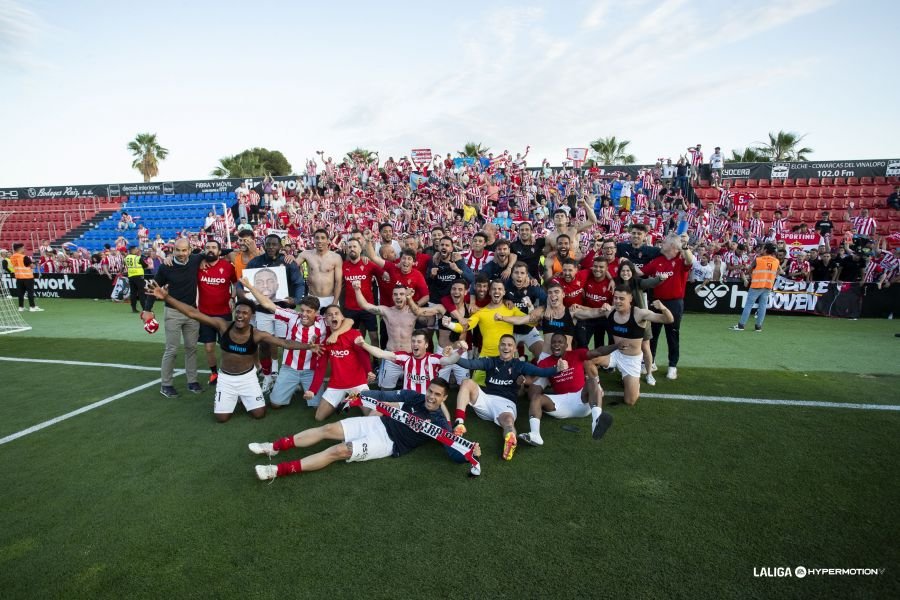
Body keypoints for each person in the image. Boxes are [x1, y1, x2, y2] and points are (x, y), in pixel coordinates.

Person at [147, 281, 317, 422]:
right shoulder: (223, 326)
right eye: (238, 312)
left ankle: (243, 397)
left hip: (248, 378)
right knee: (221, 418)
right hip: (226, 378)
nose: (241, 315)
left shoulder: (257, 334)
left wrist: (308, 346)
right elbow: (193, 313)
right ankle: (232, 398)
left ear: (252, 316)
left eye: (245, 313)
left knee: (259, 414)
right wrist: (167, 297)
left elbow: (284, 342)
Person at [248, 379, 480, 481]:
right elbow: (383, 395)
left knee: (339, 451)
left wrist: (471, 452)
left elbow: (451, 450)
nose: (431, 396)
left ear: (444, 398)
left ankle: (277, 470)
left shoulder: (440, 422)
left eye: (437, 394)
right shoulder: (414, 396)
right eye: (430, 391)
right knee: (327, 428)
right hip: (378, 423)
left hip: (389, 444)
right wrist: (360, 396)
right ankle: (274, 447)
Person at [448, 334, 563, 461]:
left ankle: (510, 441)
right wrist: (453, 356)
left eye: (509, 345)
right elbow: (469, 364)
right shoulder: (491, 361)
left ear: (514, 349)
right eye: (503, 344)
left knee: (508, 421)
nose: (506, 347)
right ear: (499, 347)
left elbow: (541, 372)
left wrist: (557, 368)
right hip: (486, 399)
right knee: (466, 382)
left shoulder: (519, 365)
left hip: (506, 403)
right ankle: (459, 423)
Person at [241, 280, 351, 409]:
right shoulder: (292, 316)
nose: (304, 314)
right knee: (275, 404)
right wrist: (250, 286)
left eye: (308, 311)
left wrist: (335, 334)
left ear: (316, 313)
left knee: (316, 406)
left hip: (311, 370)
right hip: (290, 368)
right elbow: (267, 304)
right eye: (302, 310)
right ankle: (292, 386)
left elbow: (349, 321)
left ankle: (310, 386)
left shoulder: (323, 322)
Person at [575, 286, 674, 406]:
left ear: (630, 299)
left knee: (630, 401)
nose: (617, 301)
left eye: (622, 298)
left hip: (631, 360)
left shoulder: (639, 313)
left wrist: (663, 308)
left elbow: (668, 319)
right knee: (587, 360)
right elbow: (589, 313)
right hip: (615, 354)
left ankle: (633, 382)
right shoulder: (610, 311)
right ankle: (597, 387)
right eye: (615, 298)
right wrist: (572, 310)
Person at [520, 333, 613, 446]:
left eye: (560, 342)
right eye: (553, 342)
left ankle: (596, 421)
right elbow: (532, 379)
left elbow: (598, 351)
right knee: (536, 398)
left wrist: (617, 346)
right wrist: (522, 380)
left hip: (581, 400)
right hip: (560, 404)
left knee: (592, 381)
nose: (556, 344)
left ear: (566, 345)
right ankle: (535, 435)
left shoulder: (576, 354)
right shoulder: (545, 362)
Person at [242, 234, 306, 392]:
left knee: (285, 343)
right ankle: (268, 375)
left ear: (280, 246)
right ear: (263, 245)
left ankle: (283, 375)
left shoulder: (288, 262)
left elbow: (299, 283)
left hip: (283, 310)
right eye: (268, 244)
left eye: (274, 244)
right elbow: (243, 284)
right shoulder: (255, 262)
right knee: (264, 343)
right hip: (263, 310)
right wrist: (247, 296)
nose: (271, 247)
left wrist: (296, 300)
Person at [140, 238, 202, 397]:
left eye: (184, 250)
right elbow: (154, 288)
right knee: (171, 350)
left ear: (190, 250)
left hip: (192, 313)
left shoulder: (196, 259)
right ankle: (166, 385)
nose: (181, 254)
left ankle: (192, 381)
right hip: (173, 313)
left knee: (192, 348)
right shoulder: (166, 267)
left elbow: (218, 253)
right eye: (178, 250)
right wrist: (147, 309)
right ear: (173, 250)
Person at [307, 304, 375, 421]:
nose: (333, 316)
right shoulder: (324, 339)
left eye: (336, 313)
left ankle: (349, 399)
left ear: (342, 317)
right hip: (336, 385)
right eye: (329, 315)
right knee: (319, 417)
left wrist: (369, 371)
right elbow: (321, 367)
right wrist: (312, 390)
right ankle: (344, 399)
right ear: (326, 320)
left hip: (357, 383)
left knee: (371, 414)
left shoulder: (354, 334)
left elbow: (363, 354)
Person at [641, 235, 693, 380]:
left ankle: (672, 366)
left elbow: (690, 260)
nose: (661, 245)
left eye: (664, 243)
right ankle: (651, 363)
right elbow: (642, 272)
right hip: (656, 302)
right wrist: (627, 266)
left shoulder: (680, 260)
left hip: (674, 303)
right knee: (652, 335)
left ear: (672, 247)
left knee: (672, 335)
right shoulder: (658, 261)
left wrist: (685, 246)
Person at [197, 240, 237, 385]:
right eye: (208, 247)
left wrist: (233, 297)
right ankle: (214, 373)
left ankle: (227, 372)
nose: (210, 250)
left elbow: (236, 282)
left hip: (224, 313)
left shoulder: (228, 267)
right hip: (204, 314)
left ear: (220, 252)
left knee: (226, 346)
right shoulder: (199, 266)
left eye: (214, 248)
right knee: (209, 347)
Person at [731, 242, 780, 332]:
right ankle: (758, 327)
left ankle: (741, 325)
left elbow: (748, 270)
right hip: (768, 285)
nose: (761, 249)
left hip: (757, 285)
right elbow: (779, 271)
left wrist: (749, 271)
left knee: (749, 305)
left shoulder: (758, 259)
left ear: (765, 250)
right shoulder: (776, 261)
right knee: (762, 306)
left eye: (763, 248)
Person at [296, 228, 342, 309]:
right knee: (310, 322)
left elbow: (338, 282)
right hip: (312, 298)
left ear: (328, 241)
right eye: (317, 238)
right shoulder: (305, 254)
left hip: (330, 298)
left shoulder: (336, 257)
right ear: (313, 240)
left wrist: (335, 302)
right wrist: (290, 258)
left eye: (323, 238)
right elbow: (292, 266)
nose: (320, 241)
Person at [10, 243, 41, 312]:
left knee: (20, 293)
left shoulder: (12, 257)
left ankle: (21, 307)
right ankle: (32, 307)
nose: (24, 249)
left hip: (19, 277)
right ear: (20, 248)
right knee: (30, 292)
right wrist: (34, 264)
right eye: (23, 248)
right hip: (28, 277)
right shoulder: (24, 257)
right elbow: (32, 266)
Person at [124, 245, 147, 314]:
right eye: (136, 249)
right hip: (139, 276)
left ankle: (134, 308)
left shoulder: (126, 258)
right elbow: (146, 266)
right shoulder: (137, 258)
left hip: (131, 276)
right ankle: (144, 309)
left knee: (133, 293)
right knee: (141, 293)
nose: (137, 250)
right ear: (132, 250)